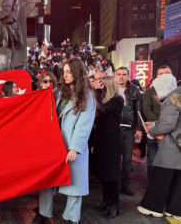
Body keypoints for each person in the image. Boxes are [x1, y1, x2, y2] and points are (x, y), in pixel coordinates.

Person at [35, 58, 96, 224]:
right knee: (48, 180)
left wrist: (75, 148)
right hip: (54, 144)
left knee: (74, 185)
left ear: (77, 72)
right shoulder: (59, 92)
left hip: (71, 146)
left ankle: (71, 218)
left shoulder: (87, 95)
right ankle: (43, 213)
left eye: (69, 72)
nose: (65, 75)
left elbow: (84, 125)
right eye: (64, 72)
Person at [137, 84, 180, 220]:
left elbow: (168, 124)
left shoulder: (173, 96)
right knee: (178, 181)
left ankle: (152, 207)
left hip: (171, 146)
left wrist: (152, 132)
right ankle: (175, 210)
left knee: (161, 178)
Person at [93, 76, 124, 218]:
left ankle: (115, 204)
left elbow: (101, 111)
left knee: (112, 174)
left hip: (111, 141)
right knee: (103, 173)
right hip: (101, 140)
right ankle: (106, 200)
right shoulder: (104, 100)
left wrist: (97, 93)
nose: (101, 90)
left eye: (103, 87)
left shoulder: (117, 99)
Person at [115, 67, 143, 196]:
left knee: (127, 159)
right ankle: (114, 184)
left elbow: (138, 111)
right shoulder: (111, 89)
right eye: (119, 74)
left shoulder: (134, 90)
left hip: (129, 128)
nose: (121, 77)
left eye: (124, 74)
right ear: (115, 76)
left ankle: (125, 185)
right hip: (113, 128)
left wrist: (140, 129)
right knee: (114, 159)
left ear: (128, 76)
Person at [142, 65, 173, 179]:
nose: (165, 76)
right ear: (156, 76)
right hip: (155, 131)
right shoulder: (150, 92)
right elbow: (147, 110)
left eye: (167, 73)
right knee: (153, 158)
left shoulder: (176, 91)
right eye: (161, 74)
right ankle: (153, 185)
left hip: (172, 132)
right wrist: (161, 125)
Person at [0, 0, 23, 71]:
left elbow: (16, 7)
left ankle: (10, 64)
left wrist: (12, 18)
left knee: (11, 44)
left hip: (10, 22)